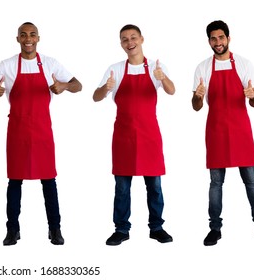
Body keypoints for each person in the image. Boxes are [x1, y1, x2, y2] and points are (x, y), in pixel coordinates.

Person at [0, 22, 82, 246]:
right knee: (14, 182)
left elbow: (78, 85)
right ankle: (12, 230)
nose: (28, 38)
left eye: (32, 35)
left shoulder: (50, 63)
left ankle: (55, 229)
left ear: (38, 38)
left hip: (42, 132)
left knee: (49, 181)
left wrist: (64, 86)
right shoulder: (8, 65)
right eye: (23, 35)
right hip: (18, 132)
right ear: (18, 39)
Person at [192, 20, 254, 246]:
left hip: (240, 131)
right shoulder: (203, 68)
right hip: (216, 131)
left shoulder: (244, 64)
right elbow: (196, 106)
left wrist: (252, 96)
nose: (217, 42)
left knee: (251, 182)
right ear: (208, 41)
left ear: (228, 38)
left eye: (221, 38)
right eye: (213, 38)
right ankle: (214, 229)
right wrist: (198, 96)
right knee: (215, 184)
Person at [93, 24, 175, 246]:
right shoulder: (116, 69)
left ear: (141, 39)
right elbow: (96, 97)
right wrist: (106, 87)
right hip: (124, 136)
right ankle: (121, 229)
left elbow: (171, 90)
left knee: (155, 187)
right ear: (121, 44)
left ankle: (156, 227)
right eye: (124, 39)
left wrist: (162, 77)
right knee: (122, 187)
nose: (129, 42)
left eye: (133, 38)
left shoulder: (156, 67)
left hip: (149, 136)